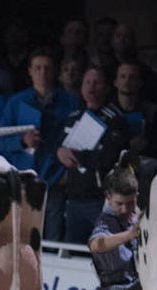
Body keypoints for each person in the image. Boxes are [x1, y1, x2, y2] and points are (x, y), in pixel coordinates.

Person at [0, 48, 81, 240]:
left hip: (54, 182)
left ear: (55, 71)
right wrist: (22, 141)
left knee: (50, 239)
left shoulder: (71, 102)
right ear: (29, 71)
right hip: (23, 183)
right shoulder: (16, 102)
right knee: (20, 238)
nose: (43, 73)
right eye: (38, 68)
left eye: (47, 68)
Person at [57, 67, 129, 244]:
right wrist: (59, 152)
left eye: (97, 82)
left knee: (104, 253)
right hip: (73, 199)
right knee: (72, 252)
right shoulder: (73, 117)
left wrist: (78, 157)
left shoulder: (115, 118)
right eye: (87, 82)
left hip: (100, 200)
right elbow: (59, 146)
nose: (92, 86)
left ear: (105, 87)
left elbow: (109, 157)